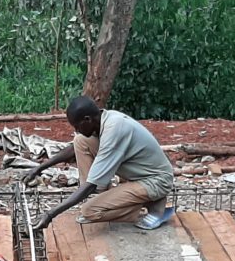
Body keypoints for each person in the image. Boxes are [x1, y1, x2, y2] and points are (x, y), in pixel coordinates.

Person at [27, 96, 175, 232]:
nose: (76, 130)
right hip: (139, 176)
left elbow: (90, 184)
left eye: (77, 126)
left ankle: (153, 206)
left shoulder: (114, 130)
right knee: (80, 141)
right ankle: (106, 194)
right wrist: (39, 168)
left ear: (87, 119)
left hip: (155, 181)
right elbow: (73, 149)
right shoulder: (104, 120)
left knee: (89, 211)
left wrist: (50, 214)